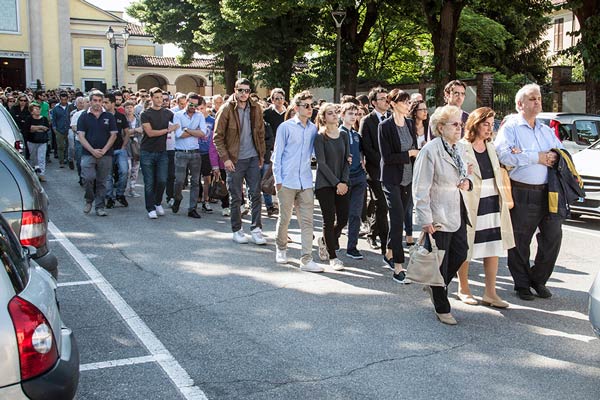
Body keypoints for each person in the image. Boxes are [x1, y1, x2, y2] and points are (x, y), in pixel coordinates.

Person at [494, 83, 564, 301]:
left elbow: (560, 151)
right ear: (520, 104)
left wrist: (552, 156)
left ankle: (538, 279)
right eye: (532, 99)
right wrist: (536, 157)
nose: (537, 102)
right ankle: (522, 284)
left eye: (539, 98)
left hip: (549, 191)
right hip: (522, 191)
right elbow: (504, 155)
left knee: (553, 237)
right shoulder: (511, 127)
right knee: (520, 240)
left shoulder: (545, 130)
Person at [413, 105, 472, 325]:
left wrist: (468, 182)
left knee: (460, 253)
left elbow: (466, 174)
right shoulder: (430, 150)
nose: (459, 128)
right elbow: (420, 187)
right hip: (438, 212)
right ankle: (442, 305)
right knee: (440, 260)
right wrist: (425, 219)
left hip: (457, 210)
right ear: (440, 127)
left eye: (460, 124)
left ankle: (435, 285)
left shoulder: (459, 148)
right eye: (454, 124)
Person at [456, 107, 515, 308]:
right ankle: (463, 288)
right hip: (472, 201)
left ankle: (490, 293)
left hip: (493, 201)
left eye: (492, 124)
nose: (490, 128)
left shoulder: (491, 146)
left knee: (493, 246)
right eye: (486, 124)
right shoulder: (461, 146)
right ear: (475, 124)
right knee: (466, 245)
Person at [272, 90, 322, 272]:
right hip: (287, 180)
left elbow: (316, 153)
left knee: (307, 221)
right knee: (285, 218)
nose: (310, 109)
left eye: (312, 106)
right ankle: (281, 248)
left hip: (306, 181)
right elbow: (277, 154)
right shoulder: (285, 127)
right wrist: (278, 179)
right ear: (296, 107)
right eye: (306, 105)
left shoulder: (313, 129)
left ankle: (306, 259)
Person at [213, 78, 266, 245]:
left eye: (247, 90)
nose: (244, 93)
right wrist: (226, 159)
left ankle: (256, 229)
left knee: (256, 194)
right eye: (241, 90)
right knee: (236, 197)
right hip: (234, 160)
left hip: (253, 157)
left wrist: (261, 156)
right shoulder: (226, 109)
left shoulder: (256, 108)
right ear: (235, 90)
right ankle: (237, 230)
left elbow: (260, 134)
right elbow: (217, 137)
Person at [378, 89, 418, 283]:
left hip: (408, 178)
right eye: (404, 101)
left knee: (400, 218)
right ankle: (398, 267)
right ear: (393, 104)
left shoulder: (410, 124)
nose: (408, 105)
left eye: (409, 101)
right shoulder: (384, 126)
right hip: (391, 179)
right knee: (397, 219)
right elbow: (387, 157)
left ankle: (388, 253)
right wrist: (409, 154)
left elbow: (415, 149)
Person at [314, 103, 350, 271]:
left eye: (336, 112)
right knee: (328, 220)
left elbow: (347, 160)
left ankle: (325, 240)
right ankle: (333, 257)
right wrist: (336, 183)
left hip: (342, 182)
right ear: (323, 117)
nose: (334, 115)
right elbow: (321, 163)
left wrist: (343, 182)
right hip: (325, 184)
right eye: (330, 113)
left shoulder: (344, 135)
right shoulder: (320, 137)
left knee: (343, 218)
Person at [140, 87, 179, 219]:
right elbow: (150, 133)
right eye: (156, 97)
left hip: (162, 152)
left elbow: (179, 120)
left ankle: (157, 203)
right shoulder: (145, 114)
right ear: (151, 98)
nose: (159, 100)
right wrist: (168, 130)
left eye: (161, 97)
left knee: (162, 180)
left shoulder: (168, 113)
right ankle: (150, 207)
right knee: (149, 182)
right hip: (147, 152)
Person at [77, 90, 117, 217]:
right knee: (88, 178)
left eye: (100, 101)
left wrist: (104, 150)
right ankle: (89, 199)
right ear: (90, 101)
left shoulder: (109, 116)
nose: (97, 103)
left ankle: (100, 207)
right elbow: (81, 136)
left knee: (102, 181)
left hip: (106, 154)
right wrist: (92, 150)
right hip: (88, 153)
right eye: (95, 100)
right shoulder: (84, 116)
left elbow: (113, 135)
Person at [360, 87, 390, 256]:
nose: (386, 101)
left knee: (384, 206)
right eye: (382, 98)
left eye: (387, 98)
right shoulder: (367, 120)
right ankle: (381, 240)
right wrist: (383, 160)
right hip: (375, 169)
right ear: (373, 103)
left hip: (391, 170)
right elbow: (367, 147)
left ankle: (374, 232)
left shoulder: (391, 118)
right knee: (381, 203)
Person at [339, 102, 367, 260]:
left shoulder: (356, 135)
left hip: (359, 177)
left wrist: (363, 164)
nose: (353, 117)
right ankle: (332, 239)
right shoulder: (338, 133)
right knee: (341, 214)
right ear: (342, 115)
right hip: (344, 178)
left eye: (355, 114)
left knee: (355, 213)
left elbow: (361, 152)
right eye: (350, 113)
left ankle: (352, 247)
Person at [172, 93, 206, 218]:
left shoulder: (199, 115)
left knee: (196, 182)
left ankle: (192, 208)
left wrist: (187, 129)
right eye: (191, 104)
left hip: (195, 152)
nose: (193, 107)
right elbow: (178, 134)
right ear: (186, 101)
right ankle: (177, 198)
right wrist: (195, 132)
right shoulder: (178, 115)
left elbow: (203, 133)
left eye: (196, 105)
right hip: (181, 152)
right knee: (179, 181)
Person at [262, 88, 287, 216]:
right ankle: (270, 205)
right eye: (276, 98)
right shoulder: (266, 113)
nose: (279, 101)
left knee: (283, 176)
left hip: (286, 150)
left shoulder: (288, 113)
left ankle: (280, 202)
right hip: (270, 149)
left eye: (281, 98)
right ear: (272, 100)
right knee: (268, 176)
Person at [103, 93, 130, 209]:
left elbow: (127, 132)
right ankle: (110, 197)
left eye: (106, 102)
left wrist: (124, 146)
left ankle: (120, 194)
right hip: (106, 151)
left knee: (124, 171)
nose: (104, 104)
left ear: (113, 103)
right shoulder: (101, 116)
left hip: (120, 149)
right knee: (108, 175)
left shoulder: (121, 116)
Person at [23, 103, 50, 181]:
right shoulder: (29, 119)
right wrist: (40, 127)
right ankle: (34, 172)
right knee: (33, 158)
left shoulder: (44, 119)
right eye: (36, 109)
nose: (38, 110)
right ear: (32, 111)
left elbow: (46, 128)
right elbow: (29, 128)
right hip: (32, 141)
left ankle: (42, 174)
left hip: (42, 141)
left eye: (39, 109)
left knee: (41, 157)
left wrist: (35, 128)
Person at [50, 91, 71, 167]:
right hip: (59, 129)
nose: (63, 101)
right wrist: (54, 128)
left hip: (69, 129)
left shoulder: (70, 107)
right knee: (60, 146)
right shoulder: (56, 109)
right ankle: (61, 161)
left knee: (69, 146)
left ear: (67, 99)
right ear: (60, 99)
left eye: (65, 99)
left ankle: (67, 159)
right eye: (62, 100)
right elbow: (54, 119)